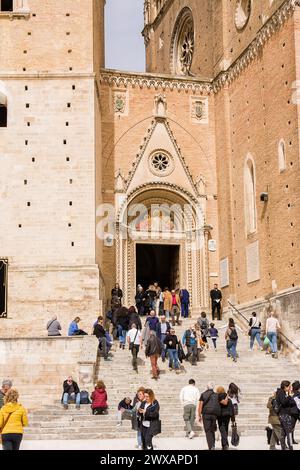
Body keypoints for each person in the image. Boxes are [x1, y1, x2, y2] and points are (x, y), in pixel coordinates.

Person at [198, 382, 221, 450]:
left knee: (208, 431)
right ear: (213, 388)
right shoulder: (216, 395)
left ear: (207, 387)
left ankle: (211, 446)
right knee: (212, 430)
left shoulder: (203, 394)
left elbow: (200, 406)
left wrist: (199, 415)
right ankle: (213, 444)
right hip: (214, 414)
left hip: (206, 414)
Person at [275, 380, 296, 450]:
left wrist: (289, 397)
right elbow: (283, 402)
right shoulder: (281, 393)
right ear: (285, 386)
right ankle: (290, 447)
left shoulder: (283, 393)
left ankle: (283, 447)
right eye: (289, 386)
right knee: (289, 432)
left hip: (284, 415)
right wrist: (289, 396)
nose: (290, 388)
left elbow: (290, 403)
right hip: (284, 415)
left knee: (283, 433)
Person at [216, 386, 235, 450]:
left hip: (220, 416)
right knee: (225, 430)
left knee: (222, 430)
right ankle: (225, 445)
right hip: (227, 416)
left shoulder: (218, 398)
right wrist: (233, 419)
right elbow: (232, 410)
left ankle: (225, 445)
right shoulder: (228, 398)